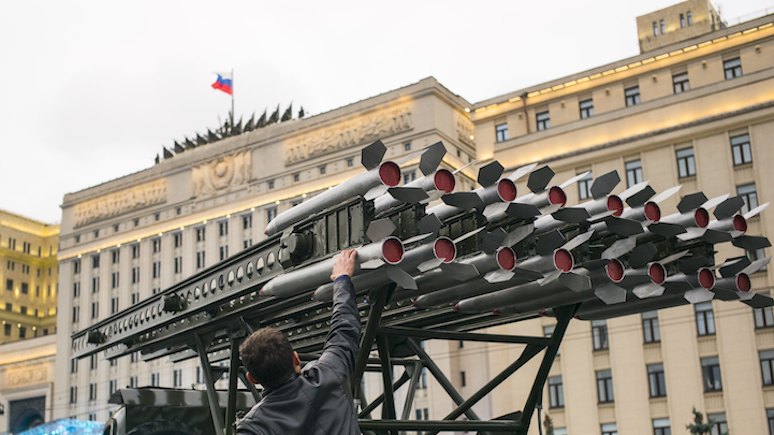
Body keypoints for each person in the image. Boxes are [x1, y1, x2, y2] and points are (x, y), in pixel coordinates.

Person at [237, 249, 361, 435]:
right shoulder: (330, 372)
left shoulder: (255, 427)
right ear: (296, 359)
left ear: (252, 379)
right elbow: (345, 327)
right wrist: (342, 279)